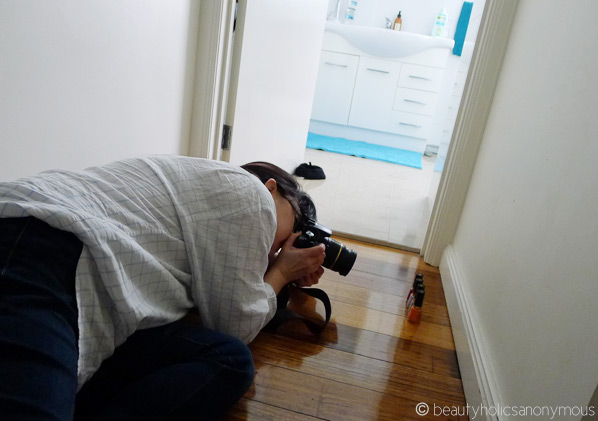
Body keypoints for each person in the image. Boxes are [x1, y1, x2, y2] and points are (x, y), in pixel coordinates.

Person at [0, 155, 326, 420]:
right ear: (272, 188)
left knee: (229, 358)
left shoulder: (200, 210)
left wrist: (282, 273)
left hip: (67, 273)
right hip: (41, 247)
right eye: (294, 227)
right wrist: (282, 272)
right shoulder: (251, 194)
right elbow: (236, 323)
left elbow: (225, 326)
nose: (280, 249)